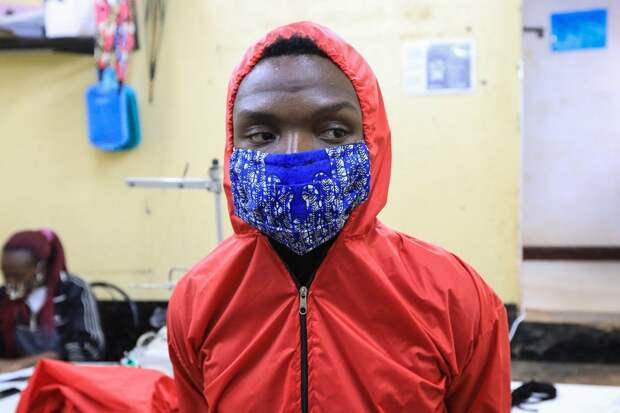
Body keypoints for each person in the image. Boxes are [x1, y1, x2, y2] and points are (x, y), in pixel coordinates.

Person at [168, 22, 510, 412]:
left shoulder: (455, 299)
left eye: (332, 131)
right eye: (263, 135)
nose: (295, 154)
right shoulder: (197, 302)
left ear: (372, 140)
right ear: (233, 145)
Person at [0, 230, 105, 373]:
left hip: (64, 375)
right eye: (6, 274)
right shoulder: (4, 297)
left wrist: (22, 364)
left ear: (41, 267)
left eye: (18, 275)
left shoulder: (73, 290)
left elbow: (89, 348)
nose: (10, 281)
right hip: (13, 379)